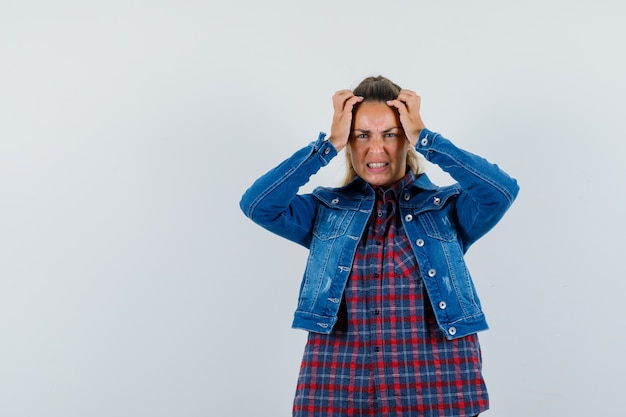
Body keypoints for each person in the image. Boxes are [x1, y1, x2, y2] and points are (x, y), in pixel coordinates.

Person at [240, 76, 519, 417]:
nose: (377, 149)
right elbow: (258, 205)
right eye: (361, 135)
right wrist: (327, 145)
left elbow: (501, 192)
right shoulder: (324, 211)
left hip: (437, 388)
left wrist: (427, 138)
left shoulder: (446, 209)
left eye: (390, 134)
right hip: (339, 386)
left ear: (407, 139)